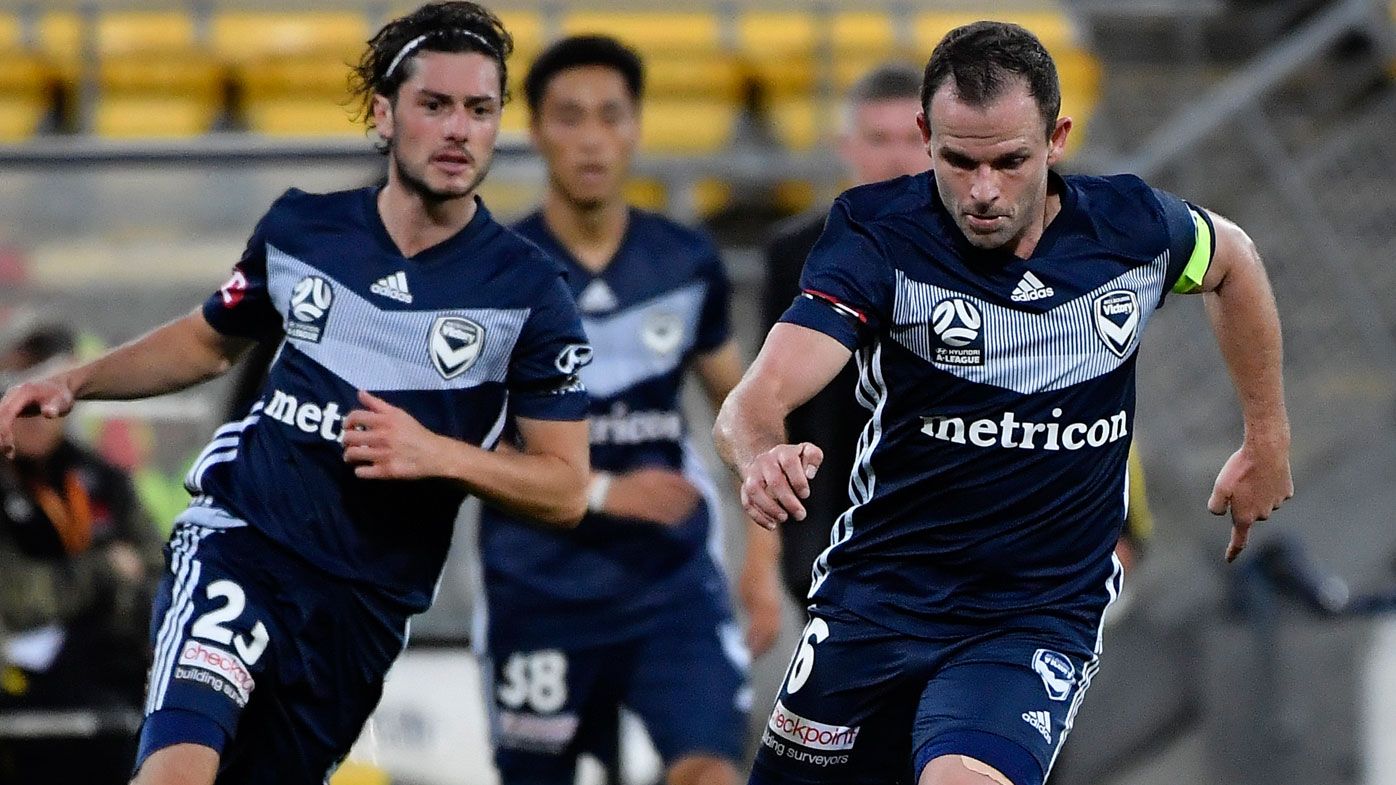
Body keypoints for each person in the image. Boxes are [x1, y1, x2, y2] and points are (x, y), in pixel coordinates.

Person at [0, 4, 594, 783]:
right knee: (177, 769)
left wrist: (440, 455)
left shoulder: (530, 293)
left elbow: (565, 487)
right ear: (384, 114)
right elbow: (209, 341)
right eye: (435, 104)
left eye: (480, 110)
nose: (459, 129)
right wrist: (76, 379)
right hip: (244, 539)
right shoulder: (302, 230)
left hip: (361, 607)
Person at [714, 21, 1293, 785]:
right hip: (881, 596)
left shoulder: (1129, 228)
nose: (984, 191)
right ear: (926, 137)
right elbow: (757, 397)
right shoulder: (877, 237)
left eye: (1010, 161)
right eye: (959, 160)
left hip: (1034, 610)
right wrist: (760, 455)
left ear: (1057, 138)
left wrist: (1266, 436)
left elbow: (1234, 261)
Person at [477, 35, 781, 785]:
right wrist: (605, 492)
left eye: (610, 116)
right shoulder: (492, 271)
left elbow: (745, 411)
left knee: (711, 771)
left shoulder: (684, 261)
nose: (591, 139)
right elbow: (456, 443)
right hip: (537, 588)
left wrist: (762, 563)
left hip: (670, 585)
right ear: (536, 129)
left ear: (637, 128)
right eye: (570, 117)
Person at [761, 62, 929, 606]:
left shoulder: (982, 254)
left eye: (912, 138)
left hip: (943, 525)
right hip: (828, 523)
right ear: (846, 145)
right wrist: (766, 550)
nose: (895, 157)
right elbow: (774, 401)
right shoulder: (796, 254)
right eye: (878, 138)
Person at [0, 325, 163, 784]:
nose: (37, 417)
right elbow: (16, 598)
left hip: (110, 671)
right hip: (21, 687)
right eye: (21, 402)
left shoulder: (98, 477)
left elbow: (157, 570)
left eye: (45, 402)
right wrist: (102, 572)